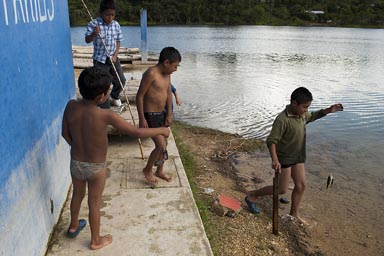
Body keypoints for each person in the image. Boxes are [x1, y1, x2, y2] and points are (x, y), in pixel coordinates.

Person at [62, 67, 170, 250]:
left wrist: (78, 148)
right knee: (94, 204)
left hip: (76, 162)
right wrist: (161, 130)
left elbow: (65, 134)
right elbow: (135, 131)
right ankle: (96, 240)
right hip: (96, 167)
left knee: (77, 195)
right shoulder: (106, 115)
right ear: (101, 97)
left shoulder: (71, 106)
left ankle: (73, 226)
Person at [245, 87, 343, 225]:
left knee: (301, 185)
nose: (306, 110)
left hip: (298, 157)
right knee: (281, 189)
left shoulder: (302, 115)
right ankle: (253, 194)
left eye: (308, 107)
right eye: (304, 107)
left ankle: (294, 214)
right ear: (294, 103)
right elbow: (271, 140)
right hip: (284, 159)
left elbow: (313, 116)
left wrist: (328, 110)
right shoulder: (282, 119)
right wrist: (275, 159)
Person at [136, 47, 181, 185]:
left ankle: (159, 170)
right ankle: (148, 169)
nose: (176, 69)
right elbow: (140, 96)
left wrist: (169, 114)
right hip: (150, 115)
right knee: (160, 145)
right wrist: (141, 118)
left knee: (165, 144)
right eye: (175, 65)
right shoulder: (151, 73)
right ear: (166, 62)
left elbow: (168, 94)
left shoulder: (167, 74)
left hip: (162, 114)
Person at [85, 0, 126, 109]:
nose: (110, 17)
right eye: (107, 15)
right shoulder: (93, 24)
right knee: (102, 84)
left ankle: (115, 95)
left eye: (112, 15)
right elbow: (87, 40)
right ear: (100, 13)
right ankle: (105, 108)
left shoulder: (116, 25)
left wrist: (115, 56)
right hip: (100, 60)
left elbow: (118, 42)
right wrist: (94, 33)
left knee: (121, 80)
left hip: (113, 58)